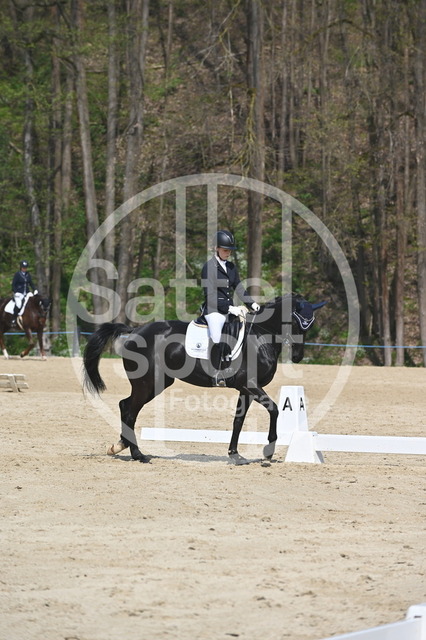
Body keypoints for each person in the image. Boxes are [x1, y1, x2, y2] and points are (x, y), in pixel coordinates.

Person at [201, 230, 260, 386]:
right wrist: (229, 308)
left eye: (230, 251)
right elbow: (210, 295)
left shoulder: (231, 267)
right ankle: (215, 374)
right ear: (216, 248)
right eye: (225, 250)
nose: (228, 253)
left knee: (242, 331)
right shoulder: (209, 267)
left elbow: (239, 288)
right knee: (216, 335)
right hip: (214, 310)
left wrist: (251, 303)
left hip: (229, 309)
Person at [11, 260, 38, 326]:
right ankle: (14, 319)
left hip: (27, 292)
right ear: (21, 267)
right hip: (19, 293)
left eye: (25, 268)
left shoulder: (28, 274)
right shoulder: (17, 274)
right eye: (23, 268)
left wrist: (35, 289)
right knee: (19, 304)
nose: (24, 269)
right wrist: (15, 291)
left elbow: (31, 283)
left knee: (34, 300)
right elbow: (13, 284)